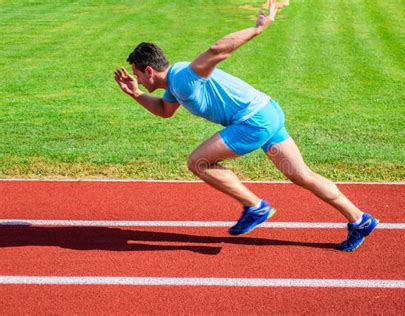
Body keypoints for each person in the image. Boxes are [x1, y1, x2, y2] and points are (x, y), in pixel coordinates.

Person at [114, 0, 378, 251]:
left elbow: (217, 50)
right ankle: (359, 220)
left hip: (253, 120)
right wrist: (136, 94)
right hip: (268, 112)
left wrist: (257, 29)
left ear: (149, 71)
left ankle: (255, 206)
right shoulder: (174, 85)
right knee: (302, 175)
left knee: (198, 162)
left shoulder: (183, 77)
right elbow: (164, 110)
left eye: (138, 75)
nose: (138, 79)